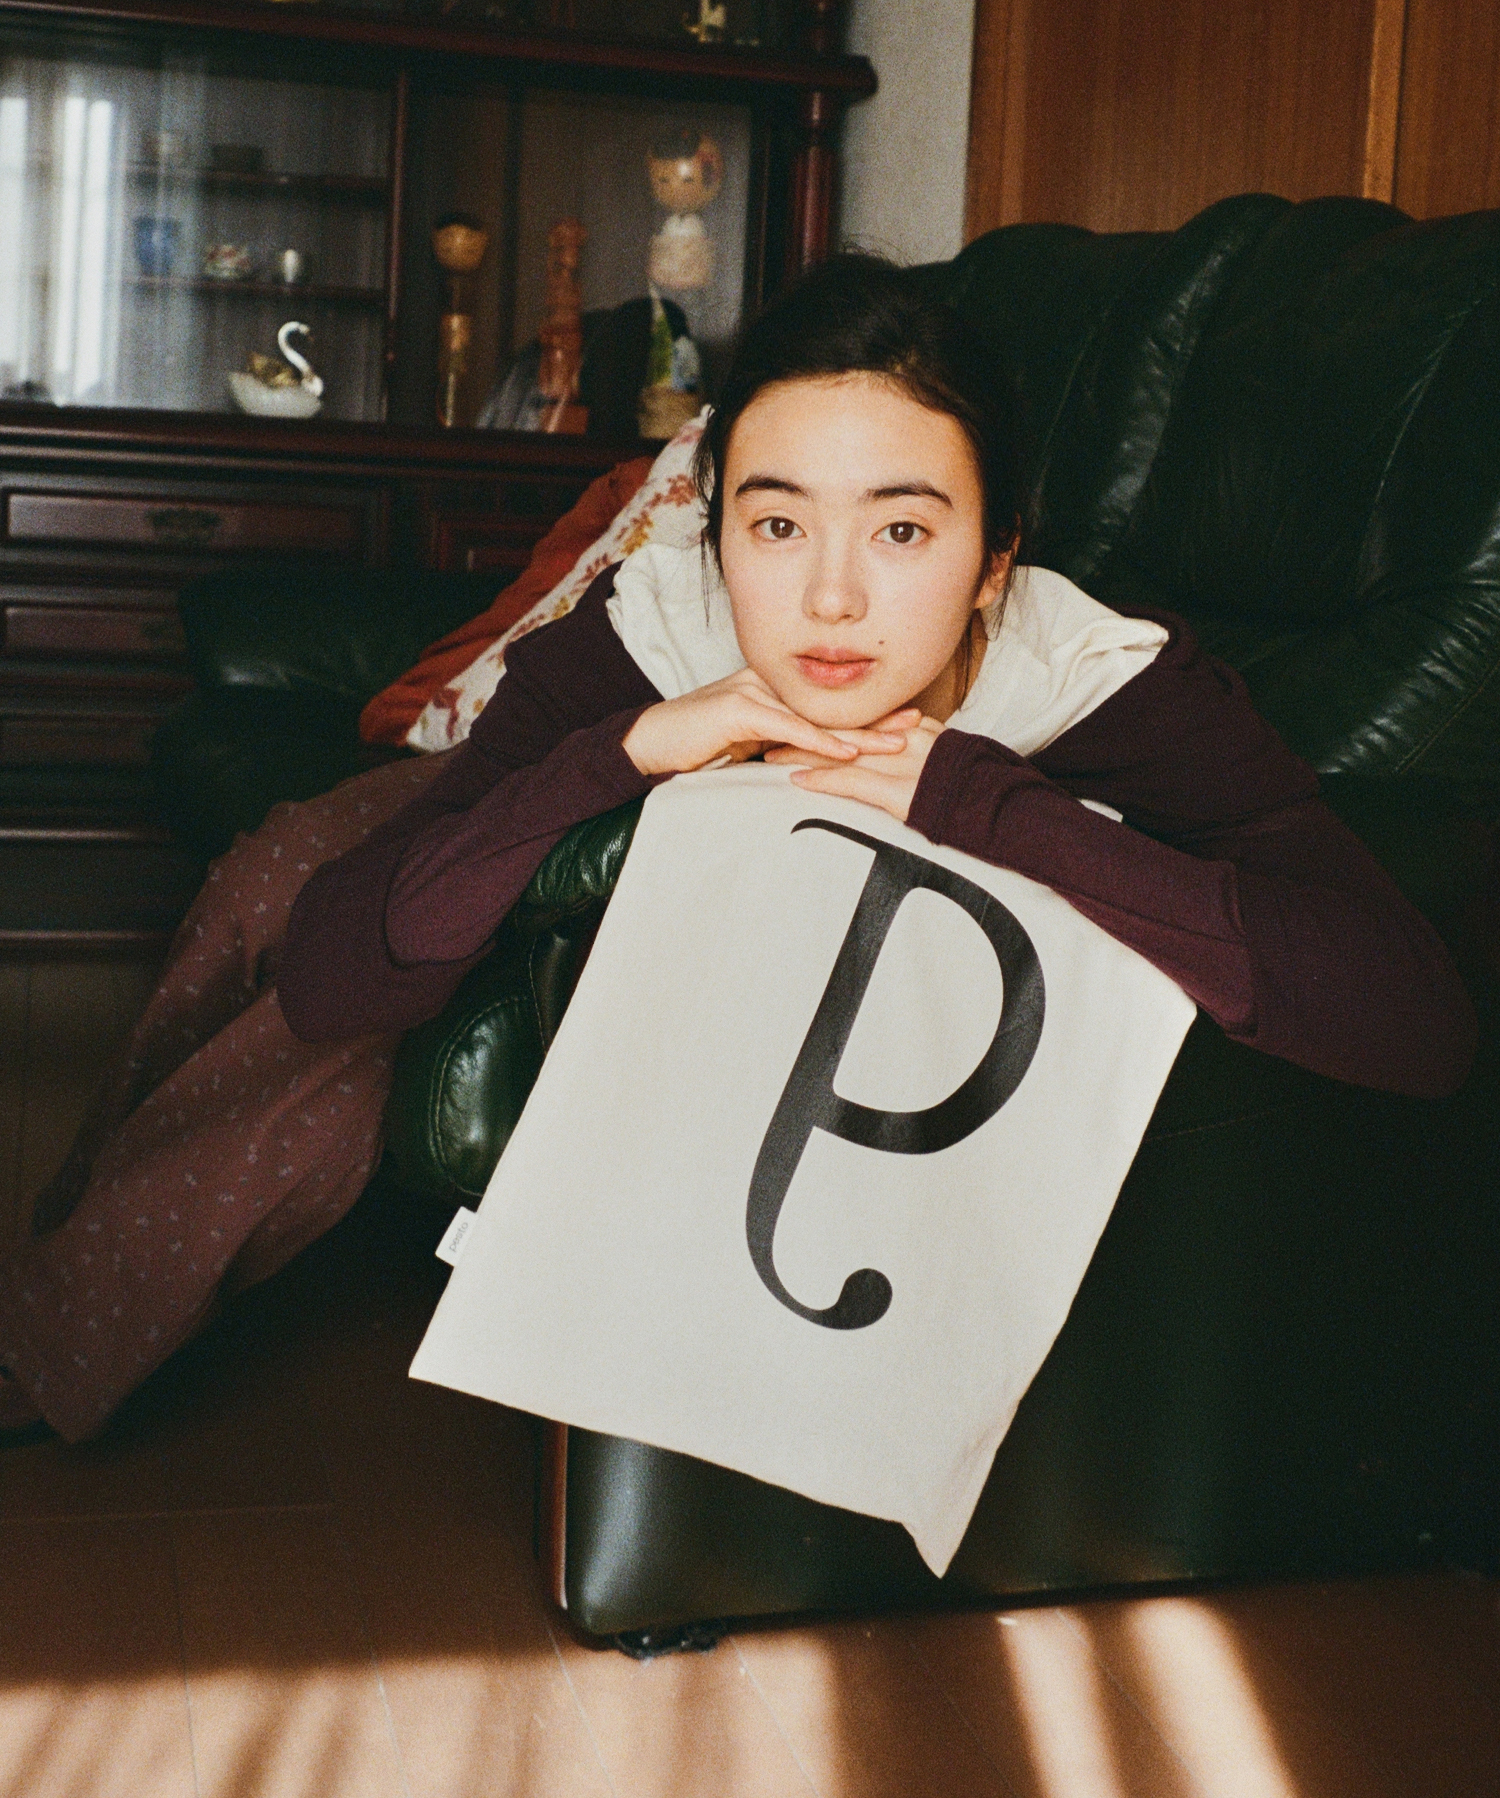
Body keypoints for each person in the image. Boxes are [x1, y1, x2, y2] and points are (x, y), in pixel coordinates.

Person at [0, 259, 1476, 1445]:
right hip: (531, 766)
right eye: (777, 525)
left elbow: (1417, 1021)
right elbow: (338, 970)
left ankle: (45, 1326)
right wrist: (625, 751)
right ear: (717, 537)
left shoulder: (1107, 681)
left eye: (903, 532)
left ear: (995, 559)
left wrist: (983, 801)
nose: (831, 599)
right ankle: (56, 1272)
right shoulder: (646, 631)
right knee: (270, 882)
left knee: (315, 946)